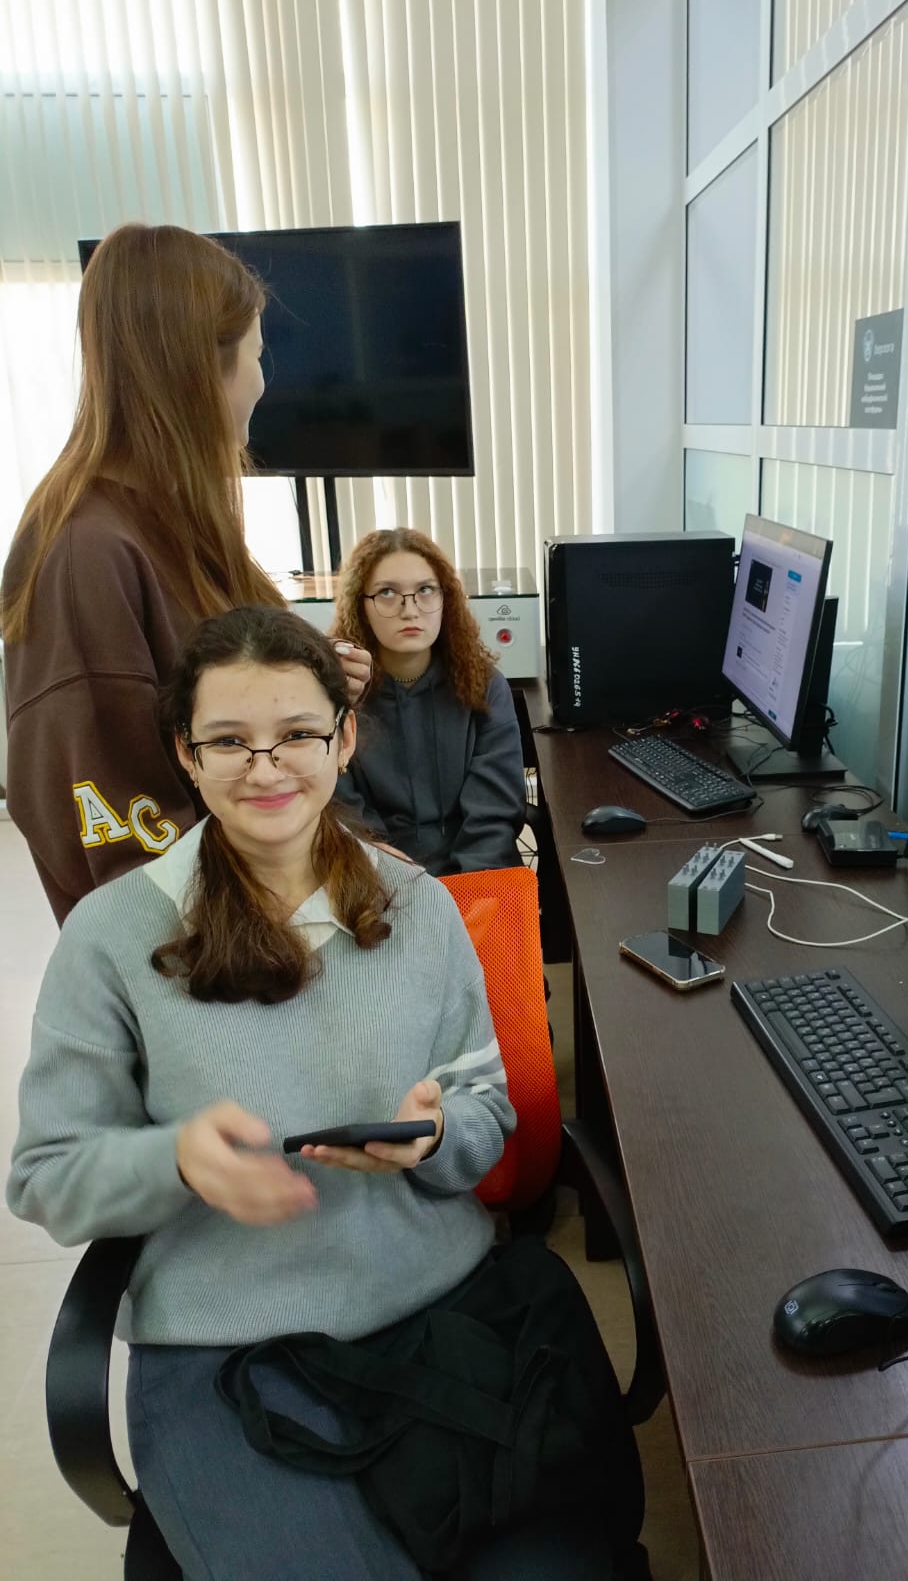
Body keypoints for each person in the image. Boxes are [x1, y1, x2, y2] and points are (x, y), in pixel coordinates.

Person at [7, 606, 524, 1579]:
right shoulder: (113, 937)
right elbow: (46, 1176)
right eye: (229, 741)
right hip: (230, 1346)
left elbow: (486, 1108)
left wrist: (435, 1135)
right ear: (186, 754)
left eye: (296, 734)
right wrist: (172, 1161)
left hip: (435, 1311)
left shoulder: (418, 906)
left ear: (344, 738)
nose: (266, 766)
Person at [0, 222, 370, 924]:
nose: (262, 381)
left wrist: (313, 679)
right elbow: (124, 855)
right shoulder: (84, 554)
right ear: (202, 370)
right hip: (212, 953)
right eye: (257, 355)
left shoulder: (172, 522)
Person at [330, 528, 527, 875]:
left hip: (477, 879)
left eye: (425, 590)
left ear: (444, 598)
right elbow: (347, 816)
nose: (410, 610)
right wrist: (404, 886)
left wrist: (469, 894)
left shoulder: (484, 687)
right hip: (380, 881)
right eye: (387, 592)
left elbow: (492, 817)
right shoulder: (339, 697)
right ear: (361, 606)